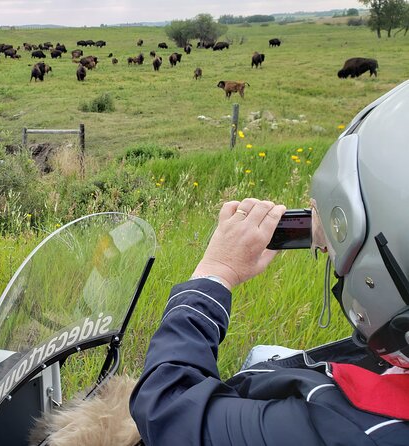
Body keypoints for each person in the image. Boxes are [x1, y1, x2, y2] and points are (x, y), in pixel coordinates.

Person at [130, 80, 409, 445]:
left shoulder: (354, 430)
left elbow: (166, 410)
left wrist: (216, 272)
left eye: (342, 252)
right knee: (267, 355)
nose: (332, 255)